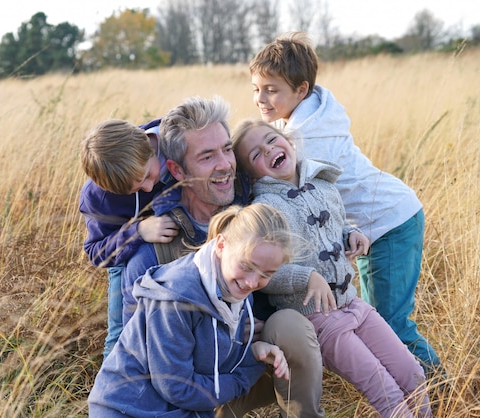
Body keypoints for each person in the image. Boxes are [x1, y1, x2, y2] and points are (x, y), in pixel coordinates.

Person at [249, 31, 443, 375]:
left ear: (301, 90)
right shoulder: (307, 115)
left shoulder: (306, 138)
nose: (260, 99)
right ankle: (401, 385)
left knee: (390, 322)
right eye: (256, 89)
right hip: (374, 225)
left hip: (390, 221)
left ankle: (439, 388)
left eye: (271, 89)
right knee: (374, 314)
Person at [121, 96, 325, 418]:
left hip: (253, 359)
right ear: (176, 169)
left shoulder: (258, 214)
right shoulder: (152, 253)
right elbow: (134, 354)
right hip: (183, 383)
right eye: (206, 156)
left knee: (290, 327)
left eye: (227, 150)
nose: (225, 165)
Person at [232, 119, 432, 418]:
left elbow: (336, 227)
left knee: (411, 373)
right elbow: (263, 275)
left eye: (272, 139)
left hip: (354, 304)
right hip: (320, 319)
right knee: (384, 388)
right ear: (250, 174)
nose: (269, 149)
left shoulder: (322, 184)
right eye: (256, 154)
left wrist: (351, 234)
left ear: (288, 140)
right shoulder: (266, 209)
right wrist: (306, 276)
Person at [88, 203, 292, 417]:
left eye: (266, 273)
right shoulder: (177, 297)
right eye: (247, 266)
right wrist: (243, 376)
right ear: (221, 245)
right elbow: (177, 387)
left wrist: (252, 353)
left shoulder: (235, 290)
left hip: (182, 409)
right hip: (128, 410)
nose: (252, 282)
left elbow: (208, 358)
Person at [79, 118, 178, 359]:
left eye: (147, 175)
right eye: (134, 189)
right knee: (121, 331)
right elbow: (96, 252)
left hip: (180, 238)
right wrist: (138, 231)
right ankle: (112, 390)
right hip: (125, 254)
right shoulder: (97, 197)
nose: (146, 187)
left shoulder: (177, 134)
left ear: (148, 145)